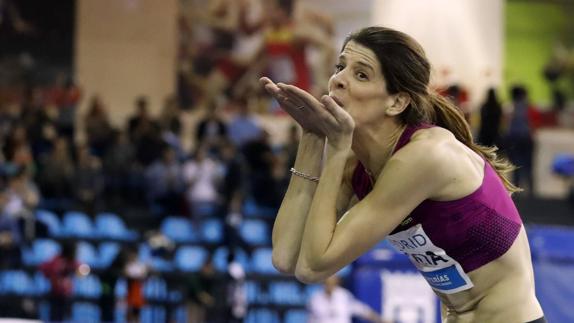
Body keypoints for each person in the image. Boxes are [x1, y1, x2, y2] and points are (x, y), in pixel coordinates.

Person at [260, 26, 545, 323]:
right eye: (340, 66)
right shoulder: (355, 162)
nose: (339, 80)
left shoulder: (425, 156)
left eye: (361, 74)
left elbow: (313, 267)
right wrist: (312, 137)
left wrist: (335, 147)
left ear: (396, 102)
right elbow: (285, 257)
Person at [308, 275, 385, 323]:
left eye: (332, 282)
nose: (330, 285)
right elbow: (311, 319)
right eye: (328, 283)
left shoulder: (344, 296)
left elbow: (362, 310)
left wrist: (380, 320)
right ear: (323, 283)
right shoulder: (315, 299)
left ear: (336, 282)